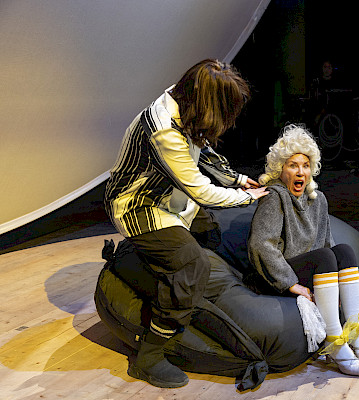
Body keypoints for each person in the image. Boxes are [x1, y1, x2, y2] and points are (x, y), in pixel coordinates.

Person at [104, 59, 268, 388]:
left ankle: (179, 292)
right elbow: (202, 192)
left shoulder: (185, 102)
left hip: (169, 196)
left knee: (209, 232)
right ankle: (149, 357)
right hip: (138, 206)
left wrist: (237, 180)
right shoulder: (163, 129)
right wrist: (248, 197)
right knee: (192, 266)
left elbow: (202, 146)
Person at [247, 124, 359, 377]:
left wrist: (335, 285)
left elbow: (327, 243)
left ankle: (357, 338)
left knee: (344, 251)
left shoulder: (318, 200)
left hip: (313, 268)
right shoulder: (275, 197)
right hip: (277, 274)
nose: (300, 172)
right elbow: (260, 244)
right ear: (281, 169)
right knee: (325, 257)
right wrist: (291, 283)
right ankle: (336, 346)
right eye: (293, 165)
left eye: (305, 166)